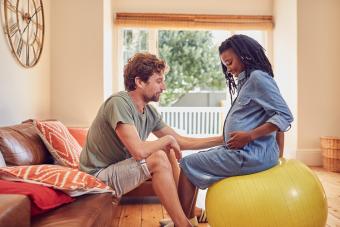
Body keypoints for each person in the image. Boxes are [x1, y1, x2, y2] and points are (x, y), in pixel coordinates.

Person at [79, 53, 223, 227]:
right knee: (159, 157)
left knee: (166, 149)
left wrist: (222, 139)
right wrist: (168, 140)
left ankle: (186, 215)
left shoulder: (149, 112)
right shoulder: (118, 103)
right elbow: (138, 151)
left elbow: (179, 141)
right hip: (97, 176)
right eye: (159, 81)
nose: (164, 87)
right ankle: (183, 225)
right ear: (140, 82)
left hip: (116, 169)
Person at [177, 34, 294, 222]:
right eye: (225, 65)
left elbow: (284, 115)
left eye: (230, 62)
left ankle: (182, 223)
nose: (228, 69)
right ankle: (187, 220)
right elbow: (271, 114)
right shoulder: (246, 80)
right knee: (192, 162)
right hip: (247, 152)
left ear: (244, 55)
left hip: (248, 154)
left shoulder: (258, 78)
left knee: (188, 164)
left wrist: (250, 137)